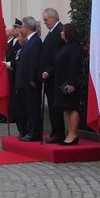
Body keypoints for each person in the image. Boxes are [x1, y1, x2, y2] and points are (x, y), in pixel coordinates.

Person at [52, 22, 85, 145]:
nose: (61, 32)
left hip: (70, 83)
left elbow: (73, 66)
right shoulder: (65, 46)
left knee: (72, 107)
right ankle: (69, 134)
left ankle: (73, 135)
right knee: (67, 108)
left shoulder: (75, 47)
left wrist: (71, 83)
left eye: (63, 31)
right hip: (61, 82)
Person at [39, 8, 66, 143]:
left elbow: (56, 55)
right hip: (49, 76)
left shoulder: (59, 31)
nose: (44, 22)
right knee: (52, 105)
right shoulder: (52, 32)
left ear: (53, 18)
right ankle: (55, 131)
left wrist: (48, 70)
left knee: (55, 106)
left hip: (55, 76)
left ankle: (58, 133)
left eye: (45, 19)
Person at [15, 17, 43, 141]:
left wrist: (32, 78)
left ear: (26, 27)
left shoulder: (35, 41)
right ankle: (30, 131)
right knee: (28, 108)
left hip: (30, 82)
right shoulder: (28, 41)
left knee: (33, 108)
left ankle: (35, 133)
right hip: (24, 81)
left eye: (21, 27)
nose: (20, 29)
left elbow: (34, 61)